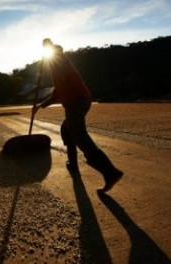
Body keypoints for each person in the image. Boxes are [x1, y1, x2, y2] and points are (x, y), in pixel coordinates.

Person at [32, 38, 123, 192]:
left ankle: (110, 173)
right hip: (79, 101)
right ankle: (73, 164)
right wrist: (40, 106)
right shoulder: (59, 66)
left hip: (76, 102)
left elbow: (59, 87)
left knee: (80, 136)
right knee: (66, 130)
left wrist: (48, 46)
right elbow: (56, 93)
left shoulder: (60, 63)